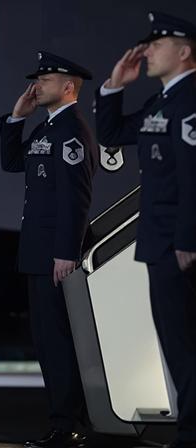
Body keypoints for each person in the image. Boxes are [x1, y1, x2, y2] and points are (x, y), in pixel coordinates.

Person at [94, 12, 196, 447]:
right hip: (160, 243)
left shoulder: (191, 102)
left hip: (180, 246)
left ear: (185, 51)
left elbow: (194, 177)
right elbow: (113, 132)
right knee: (176, 346)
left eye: (158, 43)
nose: (148, 50)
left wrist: (189, 240)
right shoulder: (163, 102)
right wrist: (114, 85)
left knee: (186, 347)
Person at [0, 51, 97, 448]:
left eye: (46, 80)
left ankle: (68, 424)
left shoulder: (71, 132)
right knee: (47, 341)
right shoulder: (46, 129)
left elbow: (75, 199)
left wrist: (66, 252)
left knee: (58, 342)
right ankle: (66, 418)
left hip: (55, 255)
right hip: (39, 252)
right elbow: (11, 163)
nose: (37, 87)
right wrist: (17, 118)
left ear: (68, 87)